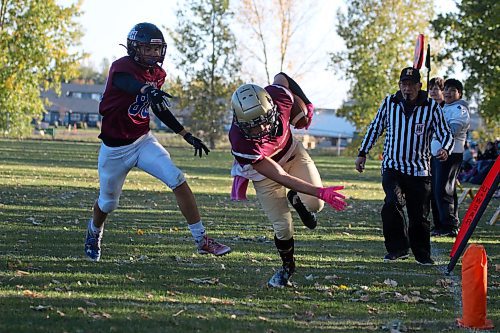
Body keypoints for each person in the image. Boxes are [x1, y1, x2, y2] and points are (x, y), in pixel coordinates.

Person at [84, 22, 231, 261]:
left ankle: (201, 239)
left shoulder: (158, 75)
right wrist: (145, 90)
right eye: (148, 49)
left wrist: (186, 134)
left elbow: (159, 109)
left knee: (177, 179)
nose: (154, 54)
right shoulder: (121, 67)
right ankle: (94, 231)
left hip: (142, 141)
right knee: (108, 203)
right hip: (114, 149)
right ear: (134, 48)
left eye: (157, 49)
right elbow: (128, 84)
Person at [229, 73, 347, 287]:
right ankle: (287, 267)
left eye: (263, 121)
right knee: (283, 227)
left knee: (315, 205)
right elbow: (280, 176)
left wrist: (307, 105)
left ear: (272, 108)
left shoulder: (280, 97)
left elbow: (281, 77)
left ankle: (297, 199)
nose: (261, 129)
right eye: (252, 126)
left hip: (293, 155)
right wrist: (320, 190)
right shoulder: (240, 141)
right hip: (265, 175)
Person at [355, 67, 454, 265]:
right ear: (399, 85)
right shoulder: (389, 102)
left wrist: (445, 149)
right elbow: (375, 127)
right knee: (392, 204)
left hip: (419, 169)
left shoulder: (431, 107)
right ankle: (398, 248)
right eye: (403, 84)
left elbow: (446, 133)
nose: (407, 89)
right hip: (393, 166)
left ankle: (422, 254)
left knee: (419, 216)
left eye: (411, 85)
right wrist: (362, 153)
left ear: (419, 86)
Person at [430, 79, 470, 237]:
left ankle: (450, 225)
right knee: (436, 190)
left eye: (452, 90)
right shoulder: (444, 107)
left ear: (459, 93)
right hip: (438, 154)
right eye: (445, 89)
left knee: (444, 189)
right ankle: (440, 224)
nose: (447, 92)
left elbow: (452, 130)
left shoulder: (459, 109)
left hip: (450, 154)